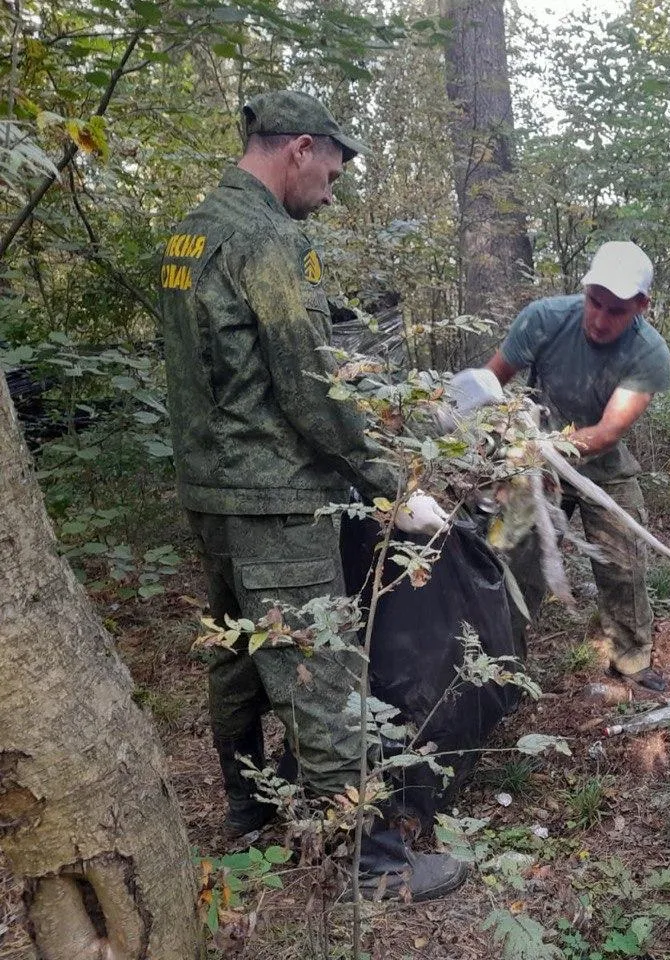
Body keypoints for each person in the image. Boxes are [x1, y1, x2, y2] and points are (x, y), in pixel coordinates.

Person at [157, 90, 464, 899]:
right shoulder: (269, 240)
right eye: (331, 167)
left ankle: (248, 813)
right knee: (320, 670)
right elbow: (310, 385)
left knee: (236, 659)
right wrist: (393, 483)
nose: (332, 188)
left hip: (210, 489)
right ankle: (374, 866)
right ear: (298, 147)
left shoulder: (191, 232)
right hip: (278, 499)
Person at [484, 241, 670, 692]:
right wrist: (492, 441)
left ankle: (630, 659)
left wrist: (543, 448)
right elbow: (490, 383)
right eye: (595, 302)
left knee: (623, 561)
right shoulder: (544, 318)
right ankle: (499, 668)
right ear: (584, 290)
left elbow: (608, 431)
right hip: (531, 465)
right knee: (508, 556)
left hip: (602, 465)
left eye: (617, 310)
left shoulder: (649, 353)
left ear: (641, 306)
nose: (600, 319)